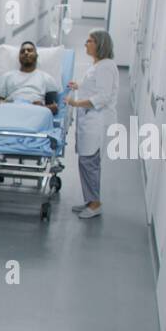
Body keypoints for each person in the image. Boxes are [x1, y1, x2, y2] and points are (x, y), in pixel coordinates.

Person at [66, 29, 119, 219]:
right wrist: (78, 86)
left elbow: (103, 97)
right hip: (89, 120)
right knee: (85, 162)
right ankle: (90, 199)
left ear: (100, 44)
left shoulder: (105, 66)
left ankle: (95, 204)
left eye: (90, 41)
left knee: (90, 163)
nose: (86, 44)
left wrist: (76, 103)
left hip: (97, 122)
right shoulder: (97, 65)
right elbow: (93, 86)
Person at [0, 41, 59, 115]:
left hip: (36, 115)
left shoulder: (47, 79)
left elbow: (54, 109)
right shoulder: (6, 77)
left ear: (36, 55)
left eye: (30, 50)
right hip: (11, 113)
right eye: (22, 51)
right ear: (19, 57)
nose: (26, 52)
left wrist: (42, 107)